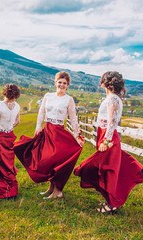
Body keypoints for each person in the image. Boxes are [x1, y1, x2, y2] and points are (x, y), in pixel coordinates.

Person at [74, 71, 143, 214]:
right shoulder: (114, 97)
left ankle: (112, 204)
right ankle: (110, 200)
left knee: (106, 170)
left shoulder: (112, 98)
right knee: (106, 169)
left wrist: (105, 141)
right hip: (106, 135)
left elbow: (112, 121)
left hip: (109, 138)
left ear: (104, 83)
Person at [14, 71, 84, 199]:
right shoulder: (48, 96)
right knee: (45, 160)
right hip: (47, 131)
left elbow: (73, 119)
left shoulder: (69, 99)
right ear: (55, 83)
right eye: (60, 82)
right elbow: (41, 112)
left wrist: (77, 136)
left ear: (67, 85)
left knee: (55, 161)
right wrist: (38, 126)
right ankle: (51, 188)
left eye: (64, 83)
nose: (61, 85)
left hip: (58, 134)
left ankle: (58, 191)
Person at [0, 84, 21, 199]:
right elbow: (17, 121)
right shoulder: (17, 106)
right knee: (8, 163)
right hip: (10, 135)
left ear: (4, 93)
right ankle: (11, 190)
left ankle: (0, 190)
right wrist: (9, 127)